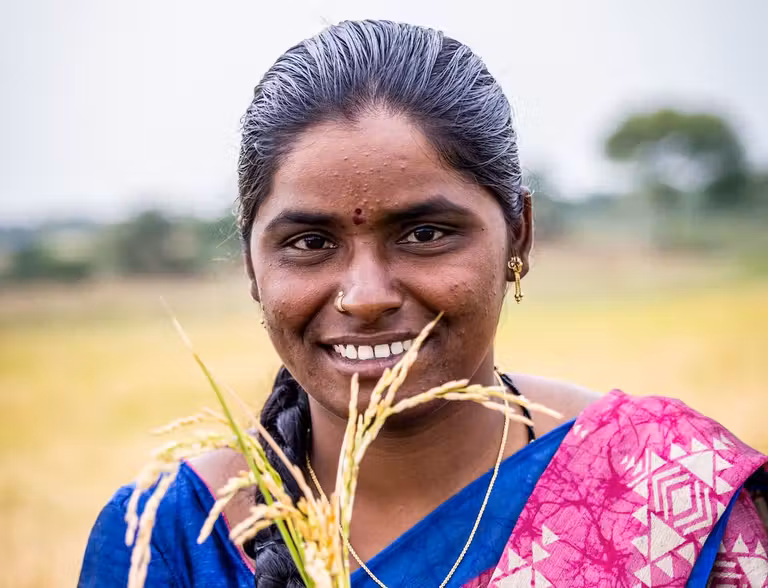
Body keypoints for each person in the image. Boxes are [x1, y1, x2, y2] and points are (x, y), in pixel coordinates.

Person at [78, 20, 768, 588]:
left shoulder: (657, 487)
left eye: (425, 234)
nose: (367, 296)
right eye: (310, 241)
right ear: (253, 265)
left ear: (518, 234)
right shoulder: (168, 540)